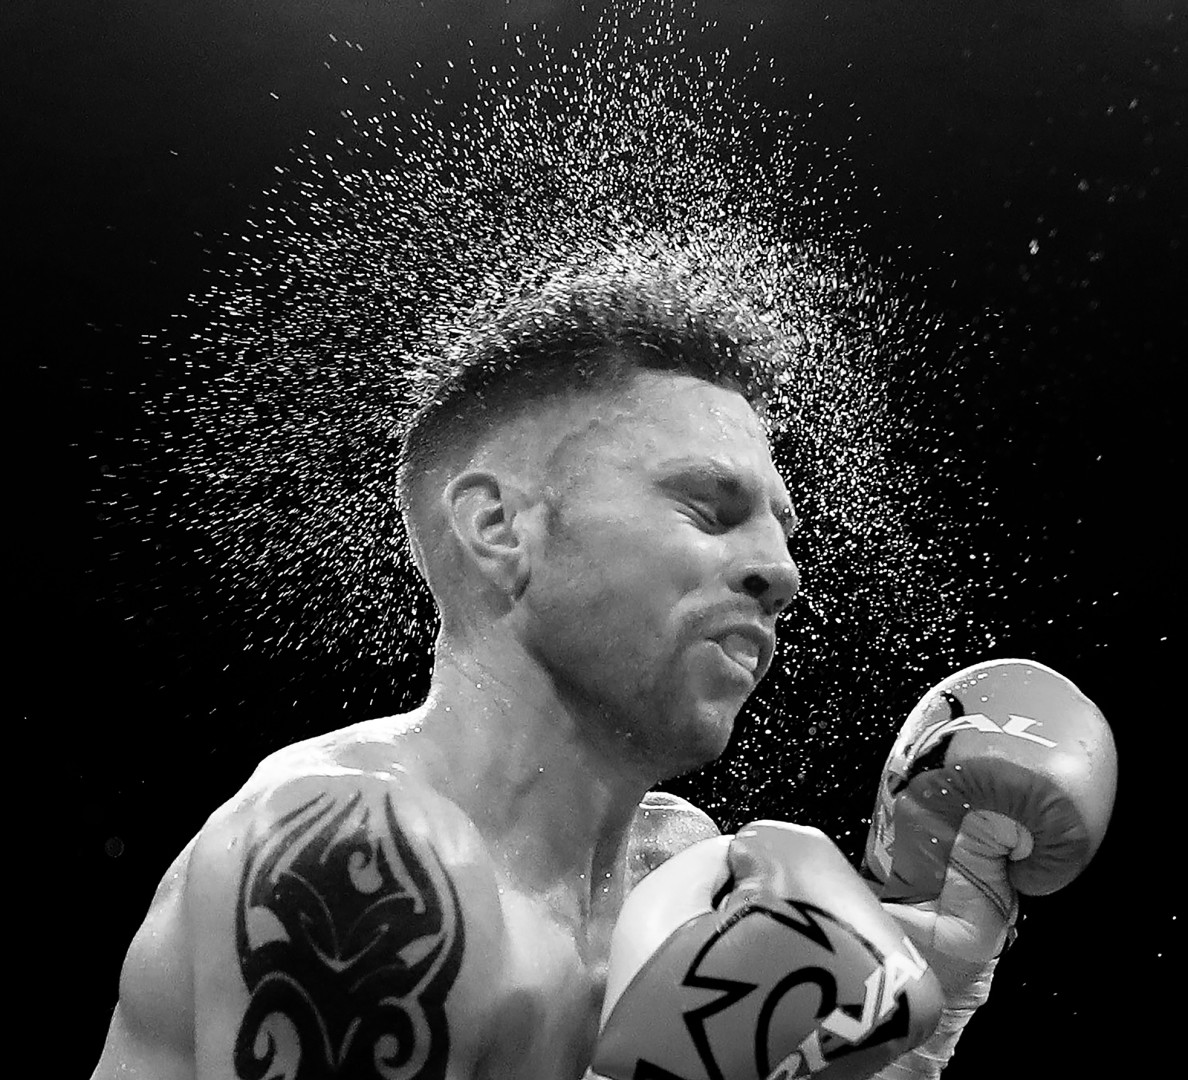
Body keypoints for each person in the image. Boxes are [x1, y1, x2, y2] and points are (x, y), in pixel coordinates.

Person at [90, 265, 810, 1079]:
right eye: (712, 510)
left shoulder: (672, 872)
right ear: (500, 527)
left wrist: (935, 1010)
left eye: (782, 528)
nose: (780, 571)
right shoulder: (358, 854)